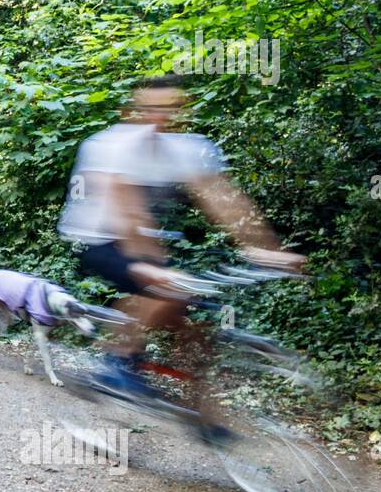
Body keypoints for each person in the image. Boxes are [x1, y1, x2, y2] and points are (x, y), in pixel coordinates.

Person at [59, 74, 303, 432]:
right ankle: (118, 361)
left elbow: (224, 201)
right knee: (169, 289)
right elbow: (126, 211)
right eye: (151, 111)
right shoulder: (110, 146)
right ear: (133, 112)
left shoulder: (188, 148)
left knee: (196, 330)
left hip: (143, 239)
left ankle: (198, 415)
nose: (160, 120)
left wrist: (266, 249)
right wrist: (149, 267)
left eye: (170, 110)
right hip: (94, 238)